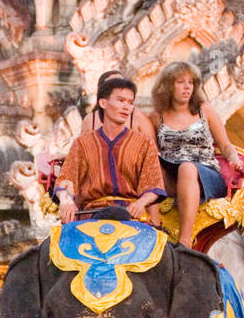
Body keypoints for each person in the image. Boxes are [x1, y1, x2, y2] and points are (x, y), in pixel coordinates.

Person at [148, 60, 243, 244]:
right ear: (168, 86)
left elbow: (225, 145)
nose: (186, 87)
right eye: (180, 82)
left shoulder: (203, 110)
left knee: (187, 168)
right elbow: (150, 152)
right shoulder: (156, 116)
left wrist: (233, 158)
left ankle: (185, 241)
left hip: (205, 173)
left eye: (190, 83)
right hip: (171, 172)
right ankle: (154, 228)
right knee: (153, 168)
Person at [54, 75, 166, 225]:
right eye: (120, 100)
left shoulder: (144, 143)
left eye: (130, 102)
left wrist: (141, 203)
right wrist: (66, 200)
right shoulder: (82, 143)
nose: (127, 107)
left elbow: (154, 185)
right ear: (103, 102)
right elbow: (66, 178)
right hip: (91, 216)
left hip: (132, 216)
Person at [79, 69, 157, 143]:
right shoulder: (90, 120)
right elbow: (81, 152)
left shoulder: (139, 118)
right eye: (114, 85)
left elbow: (153, 152)